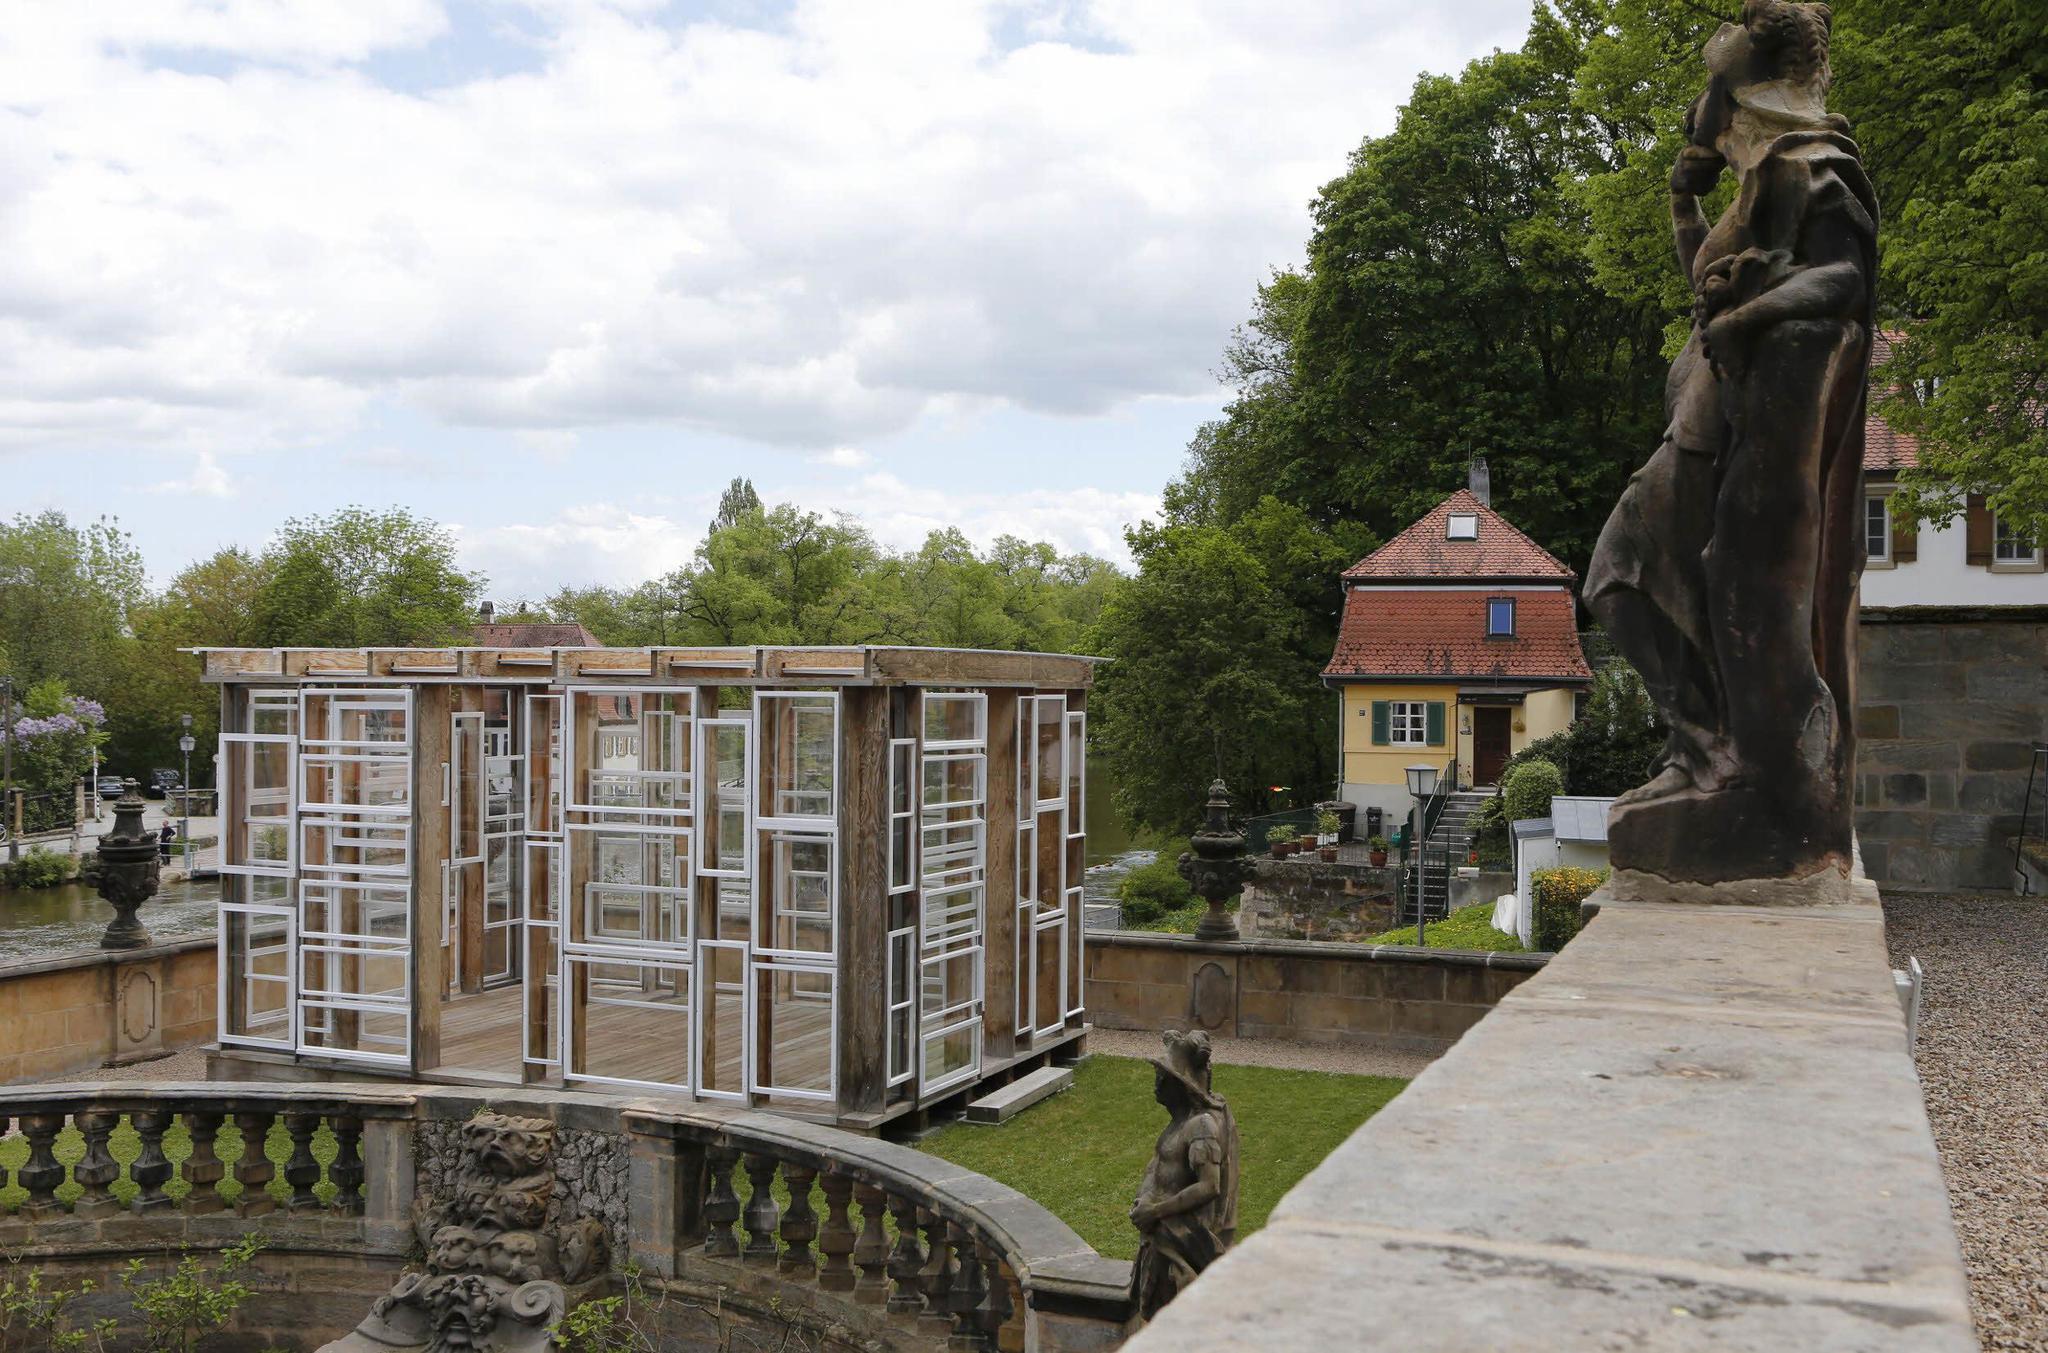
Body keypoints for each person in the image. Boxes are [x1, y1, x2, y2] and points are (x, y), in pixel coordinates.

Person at [1583, 0, 1876, 882]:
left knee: (1628, 578)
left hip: (1727, 437)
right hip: (1702, 420)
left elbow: (1845, 278)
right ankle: (1702, 749)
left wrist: (1753, 312)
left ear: (1740, 89)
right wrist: (1683, 199)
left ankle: (1717, 755)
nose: (1695, 115)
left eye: (1710, 87)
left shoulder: (1809, 165)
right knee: (1627, 581)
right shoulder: (1760, 179)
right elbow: (1704, 287)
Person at [1129, 1029, 1240, 1320]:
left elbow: (1209, 1186)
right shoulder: (1179, 1123)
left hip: (1181, 1252)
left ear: (1181, 1085)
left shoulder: (1200, 1127)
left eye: (1163, 1076)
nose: (1157, 1082)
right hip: (1161, 1243)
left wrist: (1154, 1211)